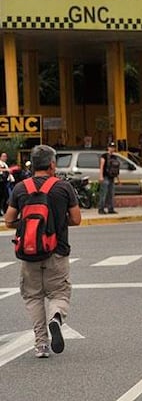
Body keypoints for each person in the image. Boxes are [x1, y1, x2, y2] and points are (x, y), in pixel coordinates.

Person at [4, 144, 81, 358]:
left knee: (33, 297)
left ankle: (41, 345)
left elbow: (9, 220)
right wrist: (57, 222)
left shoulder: (20, 188)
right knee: (59, 293)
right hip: (57, 251)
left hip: (29, 252)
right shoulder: (63, 187)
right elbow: (76, 219)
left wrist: (25, 225)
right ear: (52, 164)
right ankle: (55, 317)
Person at [98, 141, 120, 214]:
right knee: (103, 194)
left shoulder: (115, 157)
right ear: (108, 148)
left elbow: (116, 169)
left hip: (112, 177)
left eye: (113, 147)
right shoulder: (104, 156)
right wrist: (100, 176)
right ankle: (101, 209)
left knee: (111, 194)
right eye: (111, 147)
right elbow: (101, 166)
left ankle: (110, 209)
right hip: (105, 177)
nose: (112, 149)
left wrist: (118, 179)